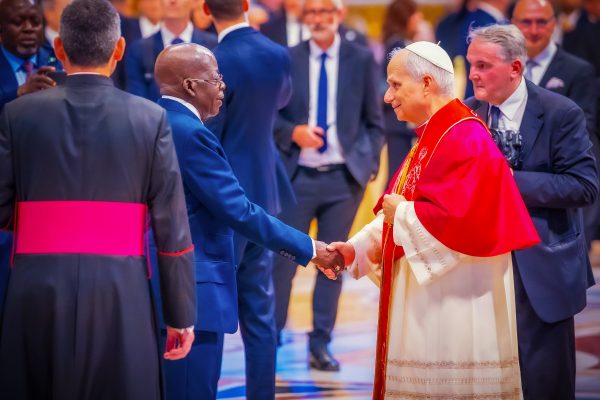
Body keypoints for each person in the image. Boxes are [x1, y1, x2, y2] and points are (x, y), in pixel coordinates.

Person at [0, 0, 196, 398]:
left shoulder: (17, 115)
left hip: (35, 287)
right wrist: (180, 315)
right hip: (121, 291)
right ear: (119, 49)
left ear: (59, 48)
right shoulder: (150, 119)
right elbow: (172, 227)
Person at [328, 41, 539, 399]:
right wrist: (354, 249)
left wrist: (403, 213)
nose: (387, 96)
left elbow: (463, 224)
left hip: (454, 303)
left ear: (426, 83)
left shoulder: (465, 137)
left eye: (395, 85)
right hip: (431, 299)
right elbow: (401, 205)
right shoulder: (435, 134)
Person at [153, 42, 343, 400]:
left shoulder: (153, 120)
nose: (222, 86)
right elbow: (238, 210)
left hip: (159, 285)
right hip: (193, 292)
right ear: (191, 86)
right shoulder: (191, 134)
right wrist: (310, 249)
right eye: (215, 79)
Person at [465, 24, 598, 399]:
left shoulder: (560, 112)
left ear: (515, 68)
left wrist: (509, 181)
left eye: (483, 65)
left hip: (543, 265)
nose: (473, 74)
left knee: (545, 384)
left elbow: (584, 186)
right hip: (481, 268)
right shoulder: (468, 114)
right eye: (471, 64)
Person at [273, 0, 384, 372]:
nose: (318, 19)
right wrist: (292, 132)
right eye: (312, 13)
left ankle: (320, 345)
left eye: (325, 12)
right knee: (283, 261)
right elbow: (270, 116)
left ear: (339, 15)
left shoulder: (360, 58)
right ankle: (271, 339)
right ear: (304, 18)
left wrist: (366, 165)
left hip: (342, 179)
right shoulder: (288, 58)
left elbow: (374, 120)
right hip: (296, 178)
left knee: (334, 263)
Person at [201, 0, 296, 398]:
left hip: (224, 199)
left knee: (212, 309)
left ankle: (203, 391)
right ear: (245, 5)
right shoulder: (277, 53)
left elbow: (208, 131)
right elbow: (282, 101)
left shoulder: (213, 60)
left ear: (205, 10)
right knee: (259, 312)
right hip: (265, 194)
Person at [125, 0, 216, 101]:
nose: (172, 1)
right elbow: (138, 101)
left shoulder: (213, 46)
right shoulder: (138, 50)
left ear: (194, 2)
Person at [0, 0, 61, 111]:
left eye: (36, 22)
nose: (28, 28)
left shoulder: (58, 59)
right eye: (18, 22)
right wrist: (19, 92)